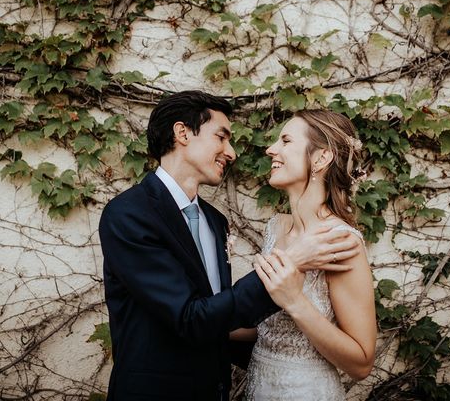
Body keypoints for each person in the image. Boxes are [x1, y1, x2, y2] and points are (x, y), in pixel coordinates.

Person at [98, 91, 363, 401]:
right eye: (221, 138)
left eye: (286, 141)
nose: (232, 152)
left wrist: (288, 364)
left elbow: (220, 316)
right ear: (183, 133)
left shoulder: (215, 221)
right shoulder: (129, 214)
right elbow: (191, 318)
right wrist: (292, 261)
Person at [244, 109, 377, 400]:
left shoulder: (339, 241)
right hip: (258, 387)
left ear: (321, 158)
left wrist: (294, 301)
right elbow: (268, 330)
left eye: (286, 140)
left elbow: (362, 363)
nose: (271, 149)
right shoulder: (276, 227)